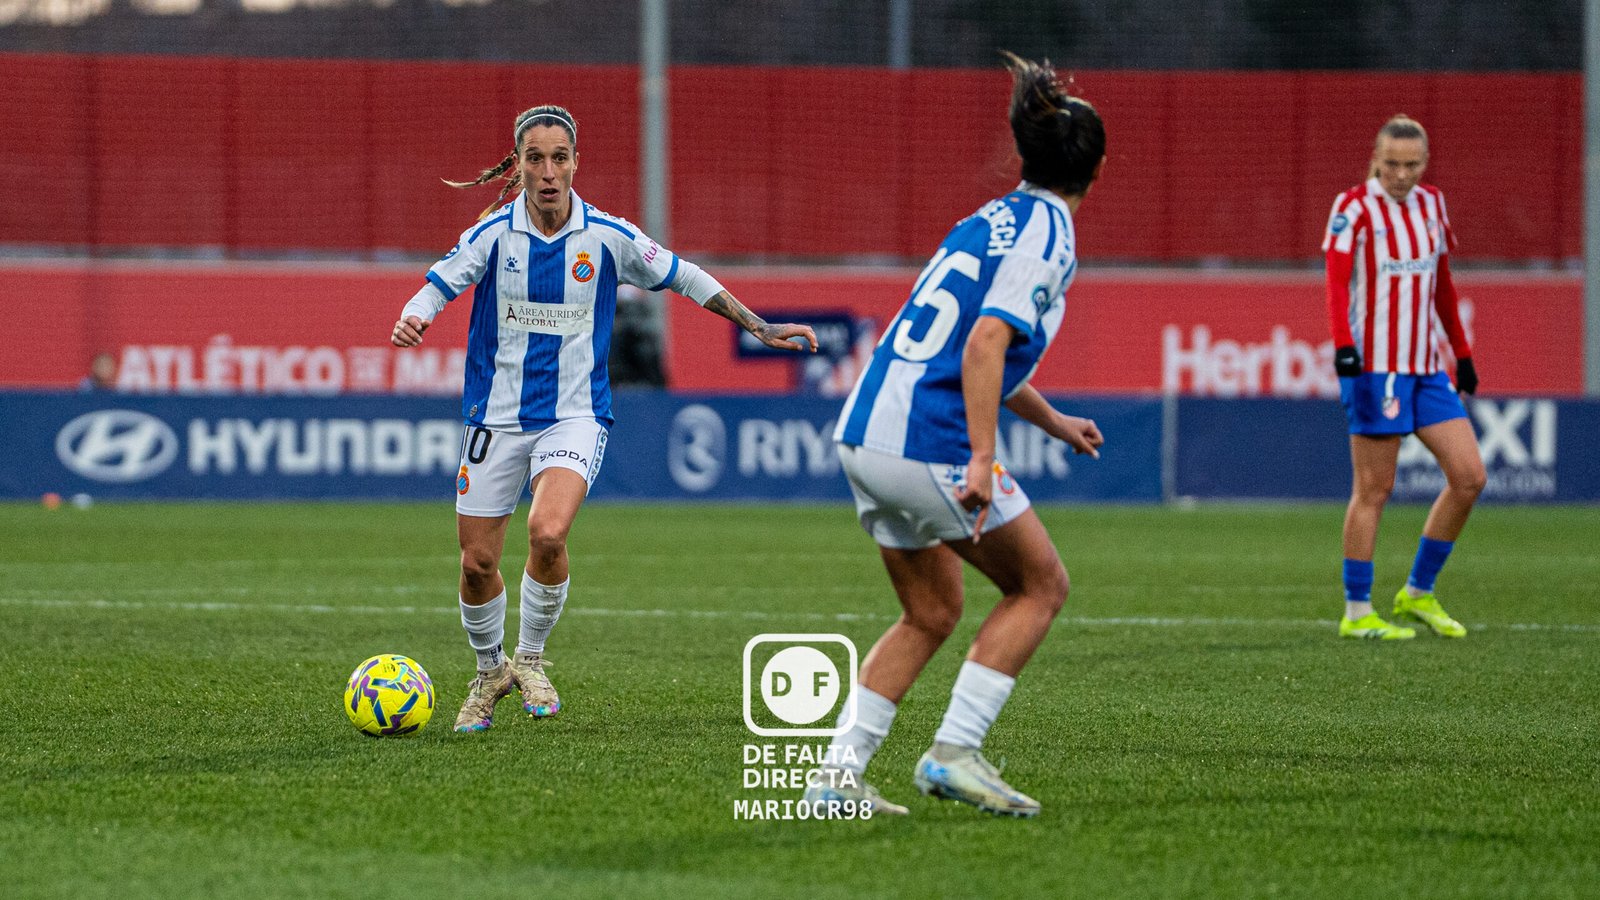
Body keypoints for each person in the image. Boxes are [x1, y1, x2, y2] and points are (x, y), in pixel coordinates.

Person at [390, 105, 817, 732]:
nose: (547, 171)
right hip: (495, 417)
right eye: (534, 158)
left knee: (547, 532)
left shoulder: (608, 235)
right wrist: (415, 314)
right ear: (520, 165)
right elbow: (439, 282)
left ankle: (531, 657)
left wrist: (759, 325)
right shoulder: (491, 236)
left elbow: (683, 275)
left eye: (558, 158)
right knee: (477, 563)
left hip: (575, 415)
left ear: (575, 164)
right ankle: (490, 673)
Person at [807, 53, 1106, 818]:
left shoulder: (990, 219)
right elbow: (983, 345)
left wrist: (1054, 420)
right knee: (1040, 585)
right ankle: (954, 754)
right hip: (928, 444)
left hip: (865, 436)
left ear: (1026, 157)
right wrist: (981, 455)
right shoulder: (1051, 233)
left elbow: (977, 349)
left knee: (932, 612)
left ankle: (835, 775)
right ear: (1095, 170)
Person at [1323, 114, 1485, 641]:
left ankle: (1417, 592)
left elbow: (1442, 283)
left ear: (1425, 163)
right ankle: (1356, 610)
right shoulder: (1353, 208)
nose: (1401, 175)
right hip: (1377, 368)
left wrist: (1460, 353)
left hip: (1425, 368)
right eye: (1391, 164)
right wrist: (1346, 349)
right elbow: (1335, 284)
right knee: (1375, 489)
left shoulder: (1432, 204)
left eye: (1411, 165)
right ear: (1376, 158)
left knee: (1469, 477)